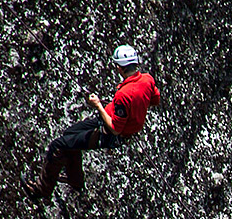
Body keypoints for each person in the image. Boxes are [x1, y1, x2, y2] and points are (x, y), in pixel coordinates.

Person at [22, 45, 162, 202]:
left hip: (110, 133)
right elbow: (154, 100)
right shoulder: (147, 79)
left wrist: (98, 106)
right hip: (111, 122)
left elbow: (115, 129)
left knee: (58, 145)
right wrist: (134, 108)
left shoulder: (124, 94)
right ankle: (76, 181)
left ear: (119, 68)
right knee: (70, 134)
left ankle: (42, 190)